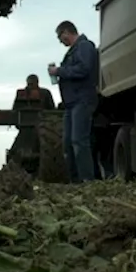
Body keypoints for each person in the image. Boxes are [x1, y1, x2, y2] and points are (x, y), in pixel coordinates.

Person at [47, 21, 100, 183]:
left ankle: (86, 180)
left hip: (82, 100)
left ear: (66, 32)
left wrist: (59, 71)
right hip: (71, 103)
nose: (60, 41)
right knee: (68, 143)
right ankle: (75, 181)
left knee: (79, 141)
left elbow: (84, 69)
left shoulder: (84, 47)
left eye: (59, 36)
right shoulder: (73, 52)